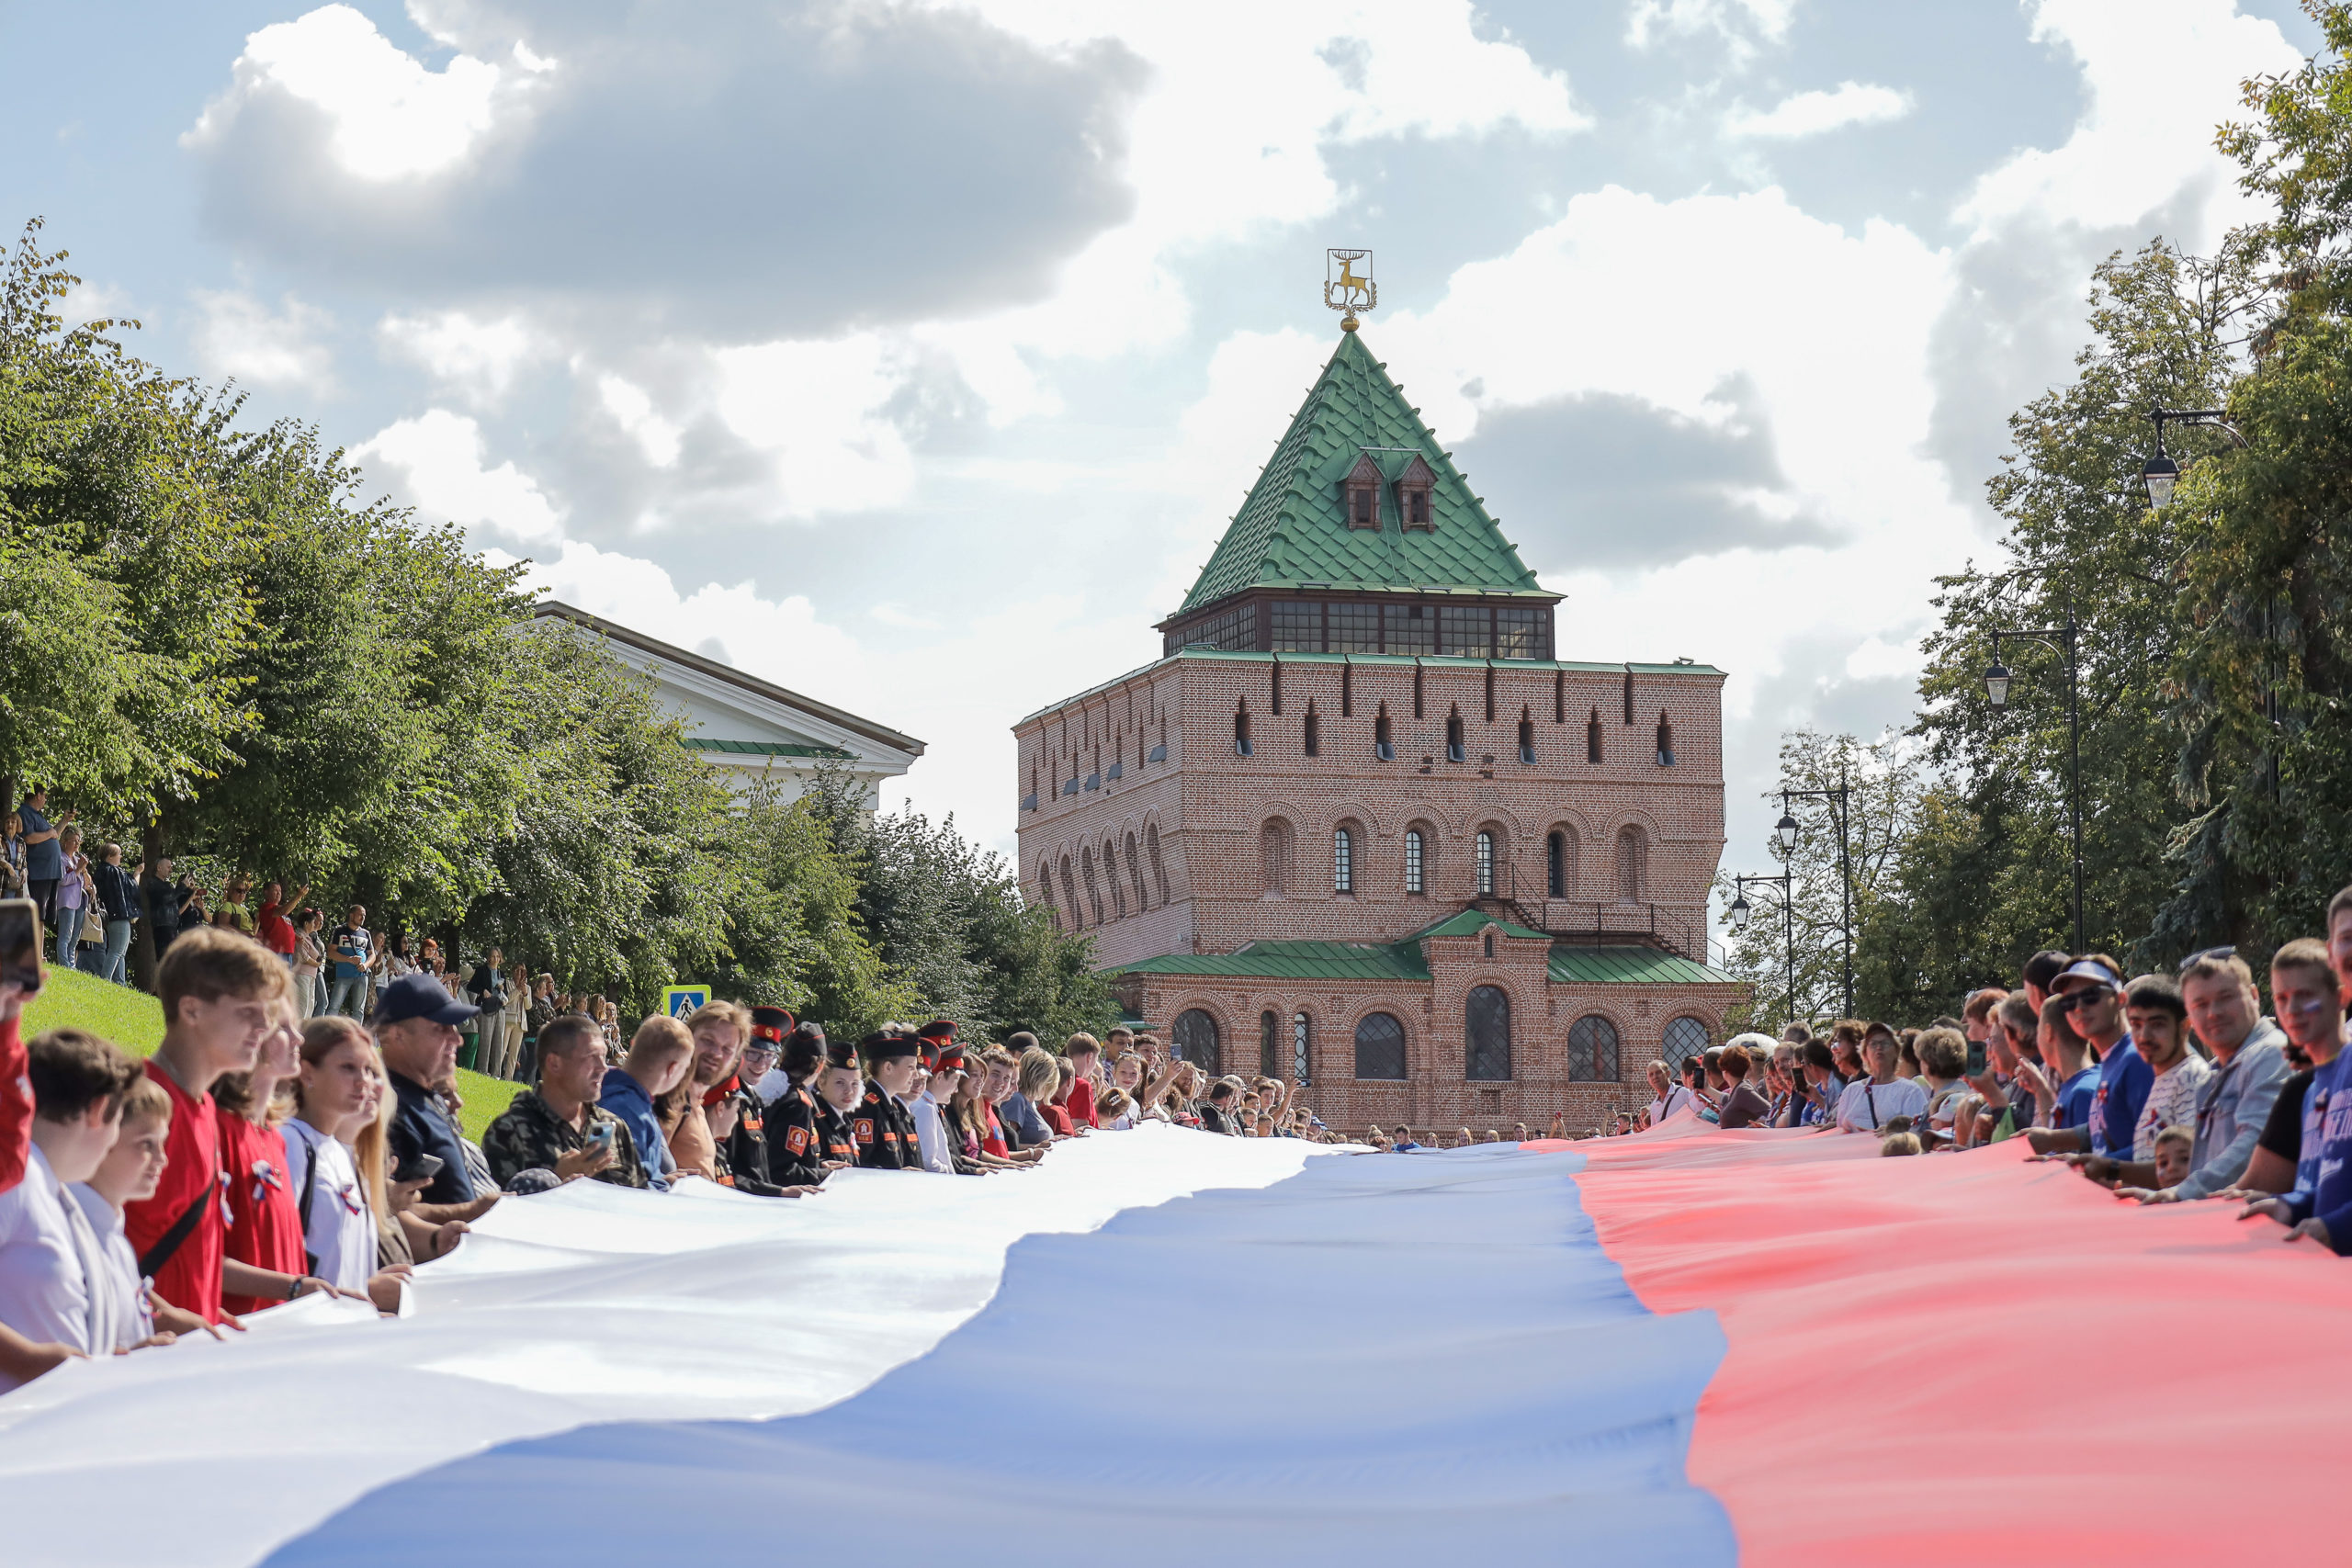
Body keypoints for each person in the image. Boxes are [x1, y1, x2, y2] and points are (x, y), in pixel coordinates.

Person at [124, 928, 288, 1325]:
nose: (263, 1027)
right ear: (192, 1010)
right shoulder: (138, 1105)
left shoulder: (204, 1106)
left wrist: (204, 1307)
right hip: (140, 1357)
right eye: (248, 1011)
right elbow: (92, 1244)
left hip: (185, 1350)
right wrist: (165, 1317)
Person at [0, 1028, 147, 1389]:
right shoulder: (15, 1180)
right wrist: (26, 1359)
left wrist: (122, 1356)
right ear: (99, 1111)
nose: (113, 1141)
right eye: (119, 1121)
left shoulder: (56, 1191)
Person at [2128, 950, 2289, 1202]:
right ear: (2190, 1016)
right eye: (2200, 1005)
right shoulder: (2212, 1075)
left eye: (2225, 998)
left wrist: (2180, 1194)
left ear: (2254, 996)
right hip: (2220, 1220)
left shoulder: (2271, 1054)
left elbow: (2255, 1144)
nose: (2213, 1012)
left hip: (2263, 1229)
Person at [217, 996, 342, 1316]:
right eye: (283, 1027)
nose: (299, 1037)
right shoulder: (220, 1129)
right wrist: (293, 1288)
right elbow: (202, 1258)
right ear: (253, 1037)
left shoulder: (274, 1136)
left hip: (283, 1330)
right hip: (243, 1332)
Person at [2240, 939, 2352, 1250]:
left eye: (2305, 996)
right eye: (2282, 998)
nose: (2292, 1010)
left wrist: (2335, 1227)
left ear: (2341, 996)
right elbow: (2330, 1187)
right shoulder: (2309, 1091)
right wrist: (2287, 1205)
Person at [282, 1018, 389, 1299]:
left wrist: (371, 1284)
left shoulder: (340, 1153)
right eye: (348, 1068)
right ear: (307, 1074)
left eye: (367, 1069)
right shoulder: (292, 1144)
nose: (363, 1080)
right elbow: (274, 1254)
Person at [71, 1070, 175, 1358]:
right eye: (146, 1144)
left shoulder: (115, 1236)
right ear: (104, 1139)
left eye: (162, 1143)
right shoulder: (67, 1231)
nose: (162, 1159)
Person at [481, 1013, 648, 1190]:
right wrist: (555, 1179)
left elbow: (638, 1199)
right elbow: (497, 1212)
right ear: (554, 1064)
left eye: (603, 1056)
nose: (602, 1068)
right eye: (591, 1057)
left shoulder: (613, 1126)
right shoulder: (509, 1132)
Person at [374, 972, 486, 1211]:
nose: (457, 1039)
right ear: (397, 1035)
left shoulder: (423, 1096)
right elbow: (393, 1210)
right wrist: (471, 1213)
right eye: (441, 1028)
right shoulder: (388, 1108)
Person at [600, 1015, 695, 1191]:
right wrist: (666, 1184)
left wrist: (666, 1179)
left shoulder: (624, 1099)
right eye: (685, 1068)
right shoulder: (625, 1108)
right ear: (673, 1069)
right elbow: (619, 1186)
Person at [760, 1014, 830, 1188]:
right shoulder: (797, 1105)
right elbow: (782, 1171)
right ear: (820, 1066)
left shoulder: (766, 1092)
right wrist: (826, 1174)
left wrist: (819, 1165)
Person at [1835, 1026, 1928, 1134]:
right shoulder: (1851, 1091)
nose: (1879, 1047)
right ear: (1865, 1053)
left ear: (1896, 1052)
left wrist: (1892, 1132)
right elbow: (1840, 1130)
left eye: (1885, 1043)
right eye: (1873, 1044)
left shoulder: (1910, 1090)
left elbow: (1918, 1132)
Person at [854, 1030, 923, 1170]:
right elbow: (860, 1164)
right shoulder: (868, 1107)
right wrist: (896, 1175)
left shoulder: (891, 1106)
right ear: (888, 1067)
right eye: (911, 1067)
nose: (916, 1075)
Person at [17, 791, 63, 949]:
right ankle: (31, 951)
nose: (45, 800)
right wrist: (49, 833)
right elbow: (28, 838)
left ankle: (39, 952)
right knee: (35, 914)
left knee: (42, 916)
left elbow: (53, 835)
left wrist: (65, 820)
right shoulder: (24, 812)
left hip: (49, 872)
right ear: (38, 795)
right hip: (39, 872)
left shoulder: (38, 815)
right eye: (45, 796)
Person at [88, 843, 137, 987]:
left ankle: (120, 983)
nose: (121, 857)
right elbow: (128, 889)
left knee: (120, 952)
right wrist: (137, 874)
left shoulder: (102, 871)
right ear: (110, 856)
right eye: (118, 854)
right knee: (116, 951)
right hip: (119, 915)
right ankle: (106, 980)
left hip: (110, 916)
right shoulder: (113, 872)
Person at [51, 826, 91, 974]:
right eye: (73, 841)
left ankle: (71, 965)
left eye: (78, 841)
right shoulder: (61, 858)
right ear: (65, 841)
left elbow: (86, 883)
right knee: (65, 934)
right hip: (66, 901)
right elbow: (63, 880)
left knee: (75, 936)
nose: (76, 844)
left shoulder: (76, 859)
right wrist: (78, 870)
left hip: (80, 901)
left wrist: (84, 870)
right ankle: (64, 963)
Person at [325, 907, 374, 1021]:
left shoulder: (366, 933)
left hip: (362, 976)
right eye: (360, 915)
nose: (363, 918)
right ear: (351, 915)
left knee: (359, 1010)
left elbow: (372, 955)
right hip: (343, 975)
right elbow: (331, 952)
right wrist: (349, 959)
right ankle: (327, 1033)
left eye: (364, 915)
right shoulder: (339, 930)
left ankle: (356, 1037)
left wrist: (366, 965)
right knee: (334, 1007)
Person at [1714, 1043, 1771, 1129]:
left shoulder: (1743, 1089)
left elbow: (1769, 1111)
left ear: (1725, 1070)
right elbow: (1729, 1100)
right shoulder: (1738, 1089)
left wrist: (1750, 1127)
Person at [1064, 1032, 1102, 1128]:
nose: (1094, 1066)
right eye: (1096, 1059)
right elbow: (1080, 1129)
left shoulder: (1058, 1080)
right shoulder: (1082, 1086)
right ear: (1089, 1057)